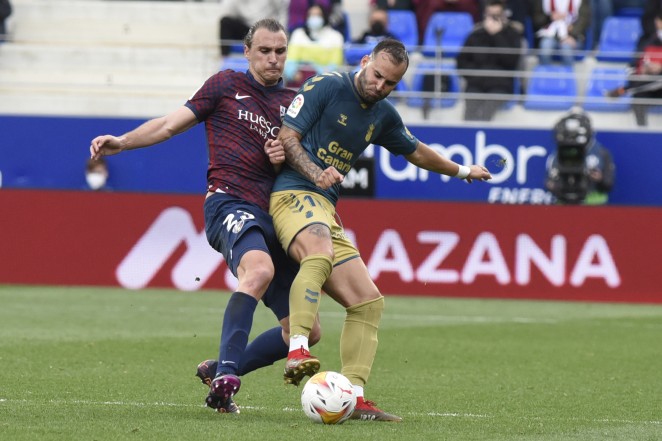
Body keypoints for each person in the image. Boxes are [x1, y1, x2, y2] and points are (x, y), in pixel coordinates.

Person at [89, 18, 322, 415]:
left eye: (280, 51)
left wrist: (286, 161)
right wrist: (123, 142)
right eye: (264, 51)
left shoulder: (293, 105)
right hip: (229, 202)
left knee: (305, 331)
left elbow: (307, 170)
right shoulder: (225, 85)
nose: (272, 59)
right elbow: (167, 125)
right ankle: (228, 375)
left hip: (273, 217)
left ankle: (217, 370)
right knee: (259, 270)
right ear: (247, 51)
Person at [270, 38, 492, 421]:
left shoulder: (383, 115)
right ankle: (298, 350)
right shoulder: (327, 85)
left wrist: (461, 171)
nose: (380, 86)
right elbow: (287, 138)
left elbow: (416, 151)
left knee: (368, 302)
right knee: (319, 254)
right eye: (377, 76)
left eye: (390, 83)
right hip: (293, 193)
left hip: (323, 208)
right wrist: (316, 173)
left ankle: (354, 396)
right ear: (365, 60)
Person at [456, 0, 524, 121]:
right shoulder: (475, 35)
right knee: (469, 112)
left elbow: (512, 62)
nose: (492, 19)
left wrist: (496, 35)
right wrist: (475, 76)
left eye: (496, 15)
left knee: (486, 113)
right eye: (489, 15)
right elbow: (461, 63)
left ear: (504, 16)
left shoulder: (512, 35)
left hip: (501, 85)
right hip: (476, 83)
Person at [545, 107, 615, 205]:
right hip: (564, 205)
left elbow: (608, 184)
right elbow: (549, 182)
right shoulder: (558, 153)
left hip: (593, 206)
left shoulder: (601, 152)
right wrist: (553, 185)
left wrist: (599, 179)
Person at [284, 3, 345, 88]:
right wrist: (292, 73)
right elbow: (290, 60)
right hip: (299, 81)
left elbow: (335, 64)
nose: (314, 18)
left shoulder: (335, 37)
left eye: (318, 15)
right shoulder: (298, 34)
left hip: (324, 84)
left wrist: (319, 75)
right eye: (311, 15)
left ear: (325, 17)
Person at [217, 0, 288, 57]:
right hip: (248, 29)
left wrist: (281, 32)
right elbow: (228, 14)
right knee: (225, 21)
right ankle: (225, 58)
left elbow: (282, 13)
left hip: (267, 28)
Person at [533, 0, 591, 66]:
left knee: (566, 48)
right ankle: (546, 74)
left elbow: (584, 20)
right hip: (550, 34)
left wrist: (572, 32)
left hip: (573, 36)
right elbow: (536, 20)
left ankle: (567, 75)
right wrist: (549, 17)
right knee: (545, 47)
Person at [629, 10, 662, 126]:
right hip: (649, 82)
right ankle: (642, 130)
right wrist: (643, 68)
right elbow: (635, 61)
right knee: (638, 93)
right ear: (657, 22)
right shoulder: (646, 39)